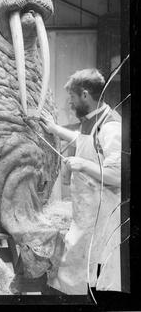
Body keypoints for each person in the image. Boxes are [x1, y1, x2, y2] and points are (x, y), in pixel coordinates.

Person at [40, 68, 122, 294]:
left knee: (91, 273)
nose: (70, 103)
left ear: (85, 95)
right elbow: (85, 140)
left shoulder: (112, 126)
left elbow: (118, 176)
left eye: (72, 98)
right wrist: (55, 129)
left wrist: (83, 165)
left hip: (100, 214)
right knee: (77, 268)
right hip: (85, 211)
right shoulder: (93, 120)